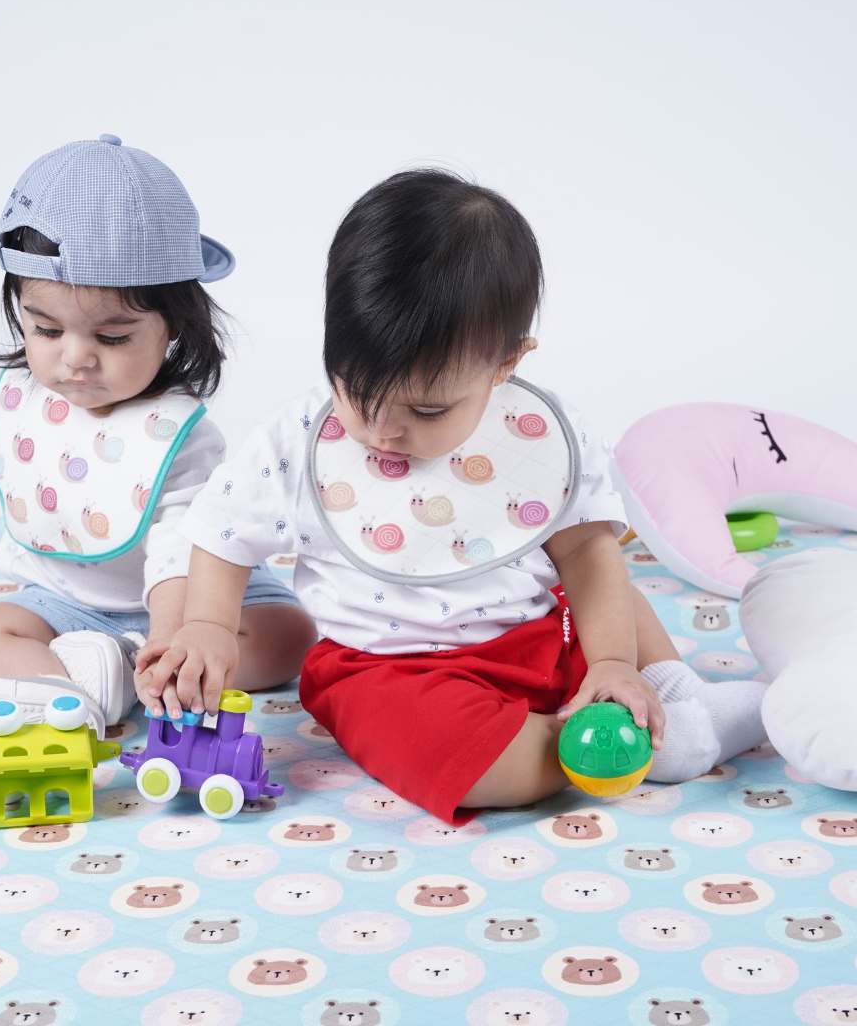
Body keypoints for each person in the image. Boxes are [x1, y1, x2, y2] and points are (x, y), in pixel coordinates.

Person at [136, 168, 766, 825]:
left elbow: (587, 553)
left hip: (540, 635)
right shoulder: (298, 442)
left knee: (609, 593)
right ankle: (617, 744)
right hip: (386, 673)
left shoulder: (538, 439)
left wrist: (610, 661)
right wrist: (208, 624)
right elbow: (220, 531)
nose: (380, 429)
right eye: (354, 389)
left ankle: (674, 698)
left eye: (426, 409)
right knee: (492, 771)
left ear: (506, 364)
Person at [0, 133, 315, 744]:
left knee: (290, 636)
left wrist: (175, 635)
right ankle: (72, 696)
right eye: (45, 330)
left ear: (175, 326)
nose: (75, 360)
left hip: (193, 599)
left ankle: (126, 669)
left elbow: (177, 550)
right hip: (66, 604)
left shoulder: (179, 436)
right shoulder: (32, 401)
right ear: (19, 312)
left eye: (112, 338)